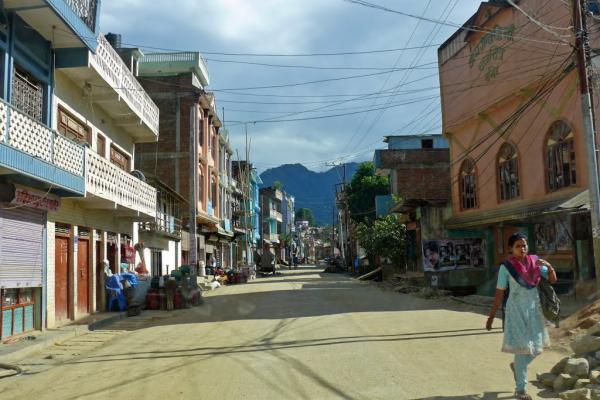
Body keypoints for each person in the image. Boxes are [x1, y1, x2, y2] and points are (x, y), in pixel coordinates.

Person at [486, 232, 557, 400]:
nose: (522, 248)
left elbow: (553, 280)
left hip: (534, 310)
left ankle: (518, 367)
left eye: (524, 245)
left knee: (537, 348)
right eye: (518, 246)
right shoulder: (506, 267)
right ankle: (521, 390)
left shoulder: (535, 262)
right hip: (515, 311)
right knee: (522, 348)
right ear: (511, 249)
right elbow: (499, 293)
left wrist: (549, 266)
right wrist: (491, 317)